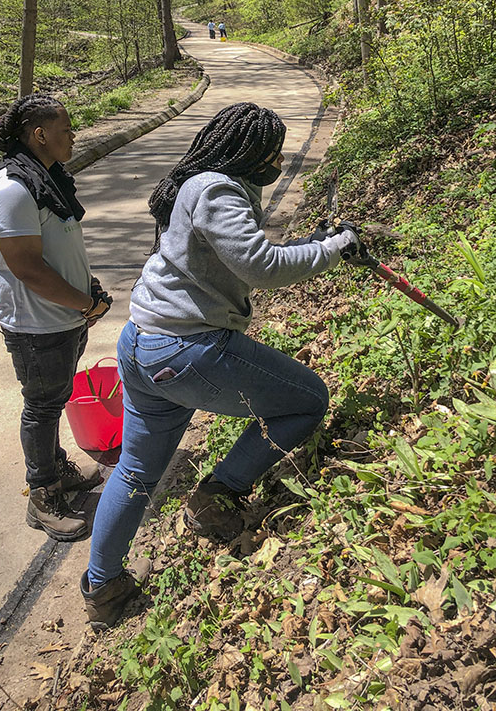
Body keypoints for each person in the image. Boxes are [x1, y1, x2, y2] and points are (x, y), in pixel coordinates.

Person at [80, 102, 362, 631]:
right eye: (271, 151)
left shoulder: (202, 181)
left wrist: (314, 244)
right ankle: (219, 493)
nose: (278, 160)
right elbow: (260, 267)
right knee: (307, 401)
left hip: (141, 343)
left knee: (137, 470)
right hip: (187, 349)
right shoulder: (218, 189)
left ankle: (103, 585)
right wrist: (335, 250)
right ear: (248, 152)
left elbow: (240, 254)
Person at [0, 94, 113, 542]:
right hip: (36, 325)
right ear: (39, 135)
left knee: (52, 401)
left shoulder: (46, 179)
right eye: (66, 129)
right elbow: (29, 269)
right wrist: (82, 305)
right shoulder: (12, 189)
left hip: (63, 317)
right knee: (41, 407)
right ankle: (43, 497)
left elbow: (64, 245)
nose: (73, 136)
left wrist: (87, 295)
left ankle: (56, 469)